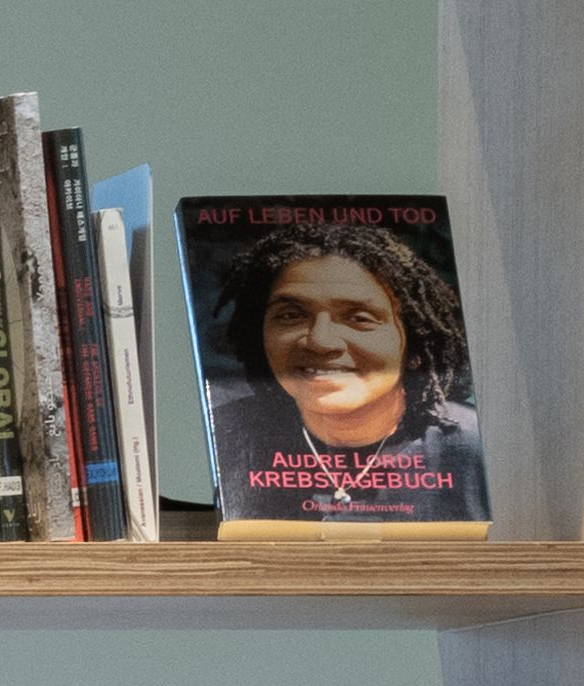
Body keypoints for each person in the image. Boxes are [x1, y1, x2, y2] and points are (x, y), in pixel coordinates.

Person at [200, 214, 487, 521]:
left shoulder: (472, 450)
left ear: (414, 344)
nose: (321, 342)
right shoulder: (225, 434)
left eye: (359, 318)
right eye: (290, 315)